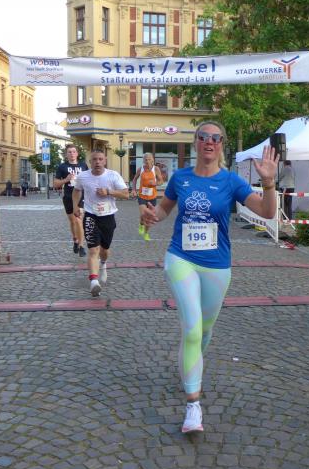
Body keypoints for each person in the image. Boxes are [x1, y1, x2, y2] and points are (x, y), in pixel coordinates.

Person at [141, 121, 278, 434]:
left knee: (204, 330)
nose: (209, 142)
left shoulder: (230, 181)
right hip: (181, 258)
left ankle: (192, 363)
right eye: (203, 137)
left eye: (215, 138)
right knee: (192, 328)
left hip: (217, 265)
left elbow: (267, 212)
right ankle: (193, 405)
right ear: (196, 142)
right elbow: (163, 210)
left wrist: (269, 184)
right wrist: (151, 217)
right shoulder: (180, 178)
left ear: (221, 145)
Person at [72, 150, 128, 296]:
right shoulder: (83, 176)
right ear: (90, 162)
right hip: (91, 216)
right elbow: (76, 191)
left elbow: (125, 193)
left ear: (105, 161)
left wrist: (109, 192)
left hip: (108, 217)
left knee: (104, 250)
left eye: (100, 159)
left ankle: (103, 264)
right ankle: (93, 282)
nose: (97, 162)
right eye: (94, 159)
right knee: (93, 250)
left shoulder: (113, 175)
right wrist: (75, 206)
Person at [54, 144, 89, 257]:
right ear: (66, 154)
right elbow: (55, 184)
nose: (72, 154)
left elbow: (89, 178)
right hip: (68, 197)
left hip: (81, 196)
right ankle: (75, 240)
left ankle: (81, 246)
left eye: (74, 151)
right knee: (73, 221)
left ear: (77, 153)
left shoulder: (83, 165)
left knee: (78, 220)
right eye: (69, 152)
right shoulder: (62, 167)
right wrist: (66, 179)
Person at [131, 152, 164, 241]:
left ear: (152, 160)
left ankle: (146, 233)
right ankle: (141, 224)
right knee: (143, 214)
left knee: (149, 217)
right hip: (142, 196)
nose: (147, 161)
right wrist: (133, 190)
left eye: (149, 159)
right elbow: (134, 179)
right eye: (145, 159)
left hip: (152, 197)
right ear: (143, 160)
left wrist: (155, 183)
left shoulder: (156, 169)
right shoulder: (140, 169)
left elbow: (161, 181)